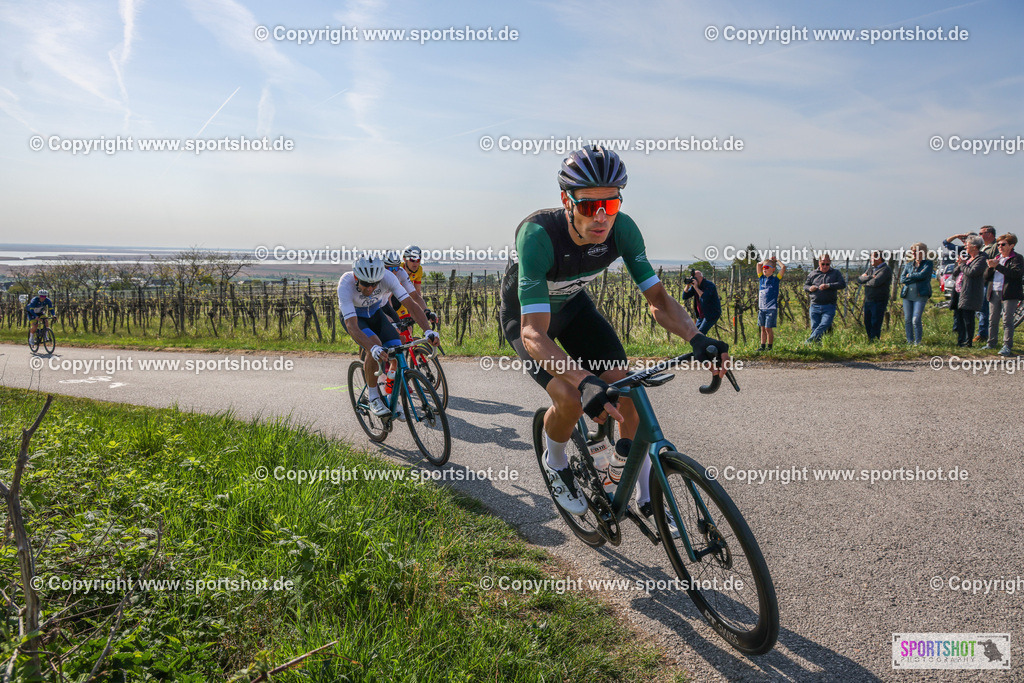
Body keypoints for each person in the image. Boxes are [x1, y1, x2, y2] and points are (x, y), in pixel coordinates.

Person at [499, 145, 730, 522]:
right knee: (570, 396)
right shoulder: (538, 234)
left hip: (574, 310)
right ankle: (555, 461)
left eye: (612, 204)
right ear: (566, 201)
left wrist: (695, 337)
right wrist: (583, 380)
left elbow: (657, 298)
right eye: (590, 206)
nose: (602, 216)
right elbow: (533, 335)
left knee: (625, 387)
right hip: (531, 320)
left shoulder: (623, 230)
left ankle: (639, 488)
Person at [339, 257, 439, 418]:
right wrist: (372, 347)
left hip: (376, 313)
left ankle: (392, 395)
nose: (371, 288)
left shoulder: (388, 277)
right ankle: (373, 398)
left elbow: (412, 305)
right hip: (357, 318)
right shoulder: (345, 283)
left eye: (374, 284)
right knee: (375, 345)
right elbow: (351, 325)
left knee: (397, 348)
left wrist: (428, 331)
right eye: (366, 284)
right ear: (357, 278)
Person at [984, 232, 1023, 356]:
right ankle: (991, 343)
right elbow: (985, 277)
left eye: (1003, 244)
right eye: (998, 244)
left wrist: (998, 267)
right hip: (994, 290)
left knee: (1007, 320)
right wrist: (990, 267)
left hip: (1009, 292)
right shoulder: (996, 258)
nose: (1000, 247)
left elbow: (1016, 274)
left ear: (1011, 245)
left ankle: (1007, 345)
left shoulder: (1017, 258)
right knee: (993, 319)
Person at [952, 236, 987, 347]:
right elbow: (955, 273)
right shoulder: (969, 258)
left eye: (967, 245)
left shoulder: (981, 259)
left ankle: (968, 341)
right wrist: (960, 264)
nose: (965, 247)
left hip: (970, 292)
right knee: (960, 317)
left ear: (974, 247)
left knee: (968, 318)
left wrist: (963, 264)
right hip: (960, 292)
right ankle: (960, 340)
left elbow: (972, 272)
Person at [803, 254, 846, 343]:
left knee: (824, 324)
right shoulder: (813, 274)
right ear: (819, 263)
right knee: (815, 327)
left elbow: (842, 284)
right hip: (815, 305)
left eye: (827, 264)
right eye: (823, 264)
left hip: (829, 305)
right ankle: (817, 346)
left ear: (830, 263)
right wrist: (810, 288)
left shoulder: (836, 273)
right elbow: (805, 286)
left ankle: (808, 343)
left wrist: (829, 285)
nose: (825, 266)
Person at [899, 242, 933, 345]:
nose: (913, 254)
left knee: (916, 319)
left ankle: (918, 342)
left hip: (920, 294)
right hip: (908, 295)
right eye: (912, 252)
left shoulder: (928, 264)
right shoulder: (909, 264)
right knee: (907, 319)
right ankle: (910, 341)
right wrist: (913, 276)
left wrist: (910, 276)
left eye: (916, 251)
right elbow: (902, 279)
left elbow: (923, 275)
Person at [857, 252, 892, 341]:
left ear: (879, 258)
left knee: (875, 321)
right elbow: (860, 280)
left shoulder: (885, 269)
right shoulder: (871, 270)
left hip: (879, 300)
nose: (870, 260)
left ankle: (875, 340)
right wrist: (871, 277)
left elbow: (876, 282)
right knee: (867, 321)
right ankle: (870, 339)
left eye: (872, 258)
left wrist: (866, 279)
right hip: (868, 299)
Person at [756, 257, 785, 351]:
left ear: (773, 270)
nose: (764, 268)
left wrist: (777, 261)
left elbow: (783, 267)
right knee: (762, 328)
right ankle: (762, 346)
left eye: (767, 267)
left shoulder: (775, 280)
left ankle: (770, 347)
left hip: (771, 308)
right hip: (762, 308)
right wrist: (765, 261)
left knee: (768, 329)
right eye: (764, 267)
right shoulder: (761, 278)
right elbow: (758, 265)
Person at [681, 269, 721, 334]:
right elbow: (684, 296)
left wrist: (696, 288)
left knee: (700, 333)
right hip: (701, 315)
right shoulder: (694, 286)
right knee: (694, 333)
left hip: (711, 314)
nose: (694, 279)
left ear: (701, 277)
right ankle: (707, 343)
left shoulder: (709, 285)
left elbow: (705, 297)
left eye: (695, 278)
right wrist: (687, 285)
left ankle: (715, 344)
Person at [977, 225, 999, 341]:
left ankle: (983, 334)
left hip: (989, 280)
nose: (979, 235)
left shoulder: (995, 246)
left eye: (981, 233)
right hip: (981, 280)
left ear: (989, 234)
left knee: (984, 308)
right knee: (981, 308)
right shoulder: (982, 247)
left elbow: (993, 263)